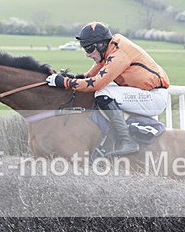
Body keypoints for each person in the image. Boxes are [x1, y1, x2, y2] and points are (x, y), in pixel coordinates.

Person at [45, 22, 170, 156]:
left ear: (101, 44)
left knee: (104, 92)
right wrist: (70, 78)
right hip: (145, 93)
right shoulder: (110, 50)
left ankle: (126, 141)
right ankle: (110, 141)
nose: (87, 55)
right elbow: (89, 76)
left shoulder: (119, 53)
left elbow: (97, 83)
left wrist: (65, 82)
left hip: (153, 97)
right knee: (103, 91)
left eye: (88, 49)